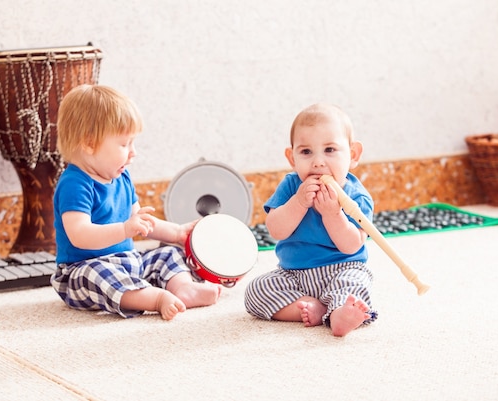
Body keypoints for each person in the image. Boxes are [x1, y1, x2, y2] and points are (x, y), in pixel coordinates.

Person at [51, 84, 221, 321]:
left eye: (133, 143)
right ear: (89, 143)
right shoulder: (75, 184)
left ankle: (184, 287)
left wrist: (178, 232)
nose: (133, 152)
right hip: (81, 270)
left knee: (168, 254)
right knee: (100, 274)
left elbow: (142, 221)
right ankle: (156, 298)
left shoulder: (122, 177)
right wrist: (124, 229)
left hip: (127, 261)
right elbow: (79, 235)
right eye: (124, 144)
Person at [244, 103, 377, 337]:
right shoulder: (291, 186)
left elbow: (352, 245)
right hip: (295, 274)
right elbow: (276, 230)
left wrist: (333, 214)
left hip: (343, 269)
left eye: (330, 150)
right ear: (292, 157)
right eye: (306, 152)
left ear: (353, 155)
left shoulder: (356, 197)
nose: (318, 162)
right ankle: (315, 308)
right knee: (256, 291)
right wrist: (298, 203)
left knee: (354, 287)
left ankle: (340, 315)